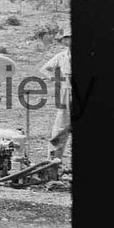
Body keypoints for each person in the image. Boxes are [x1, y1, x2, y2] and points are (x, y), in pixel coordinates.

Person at [39, 26, 72, 167]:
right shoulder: (61, 56)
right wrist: (56, 80)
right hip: (66, 95)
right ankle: (52, 167)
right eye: (68, 38)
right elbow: (44, 69)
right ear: (65, 41)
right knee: (59, 131)